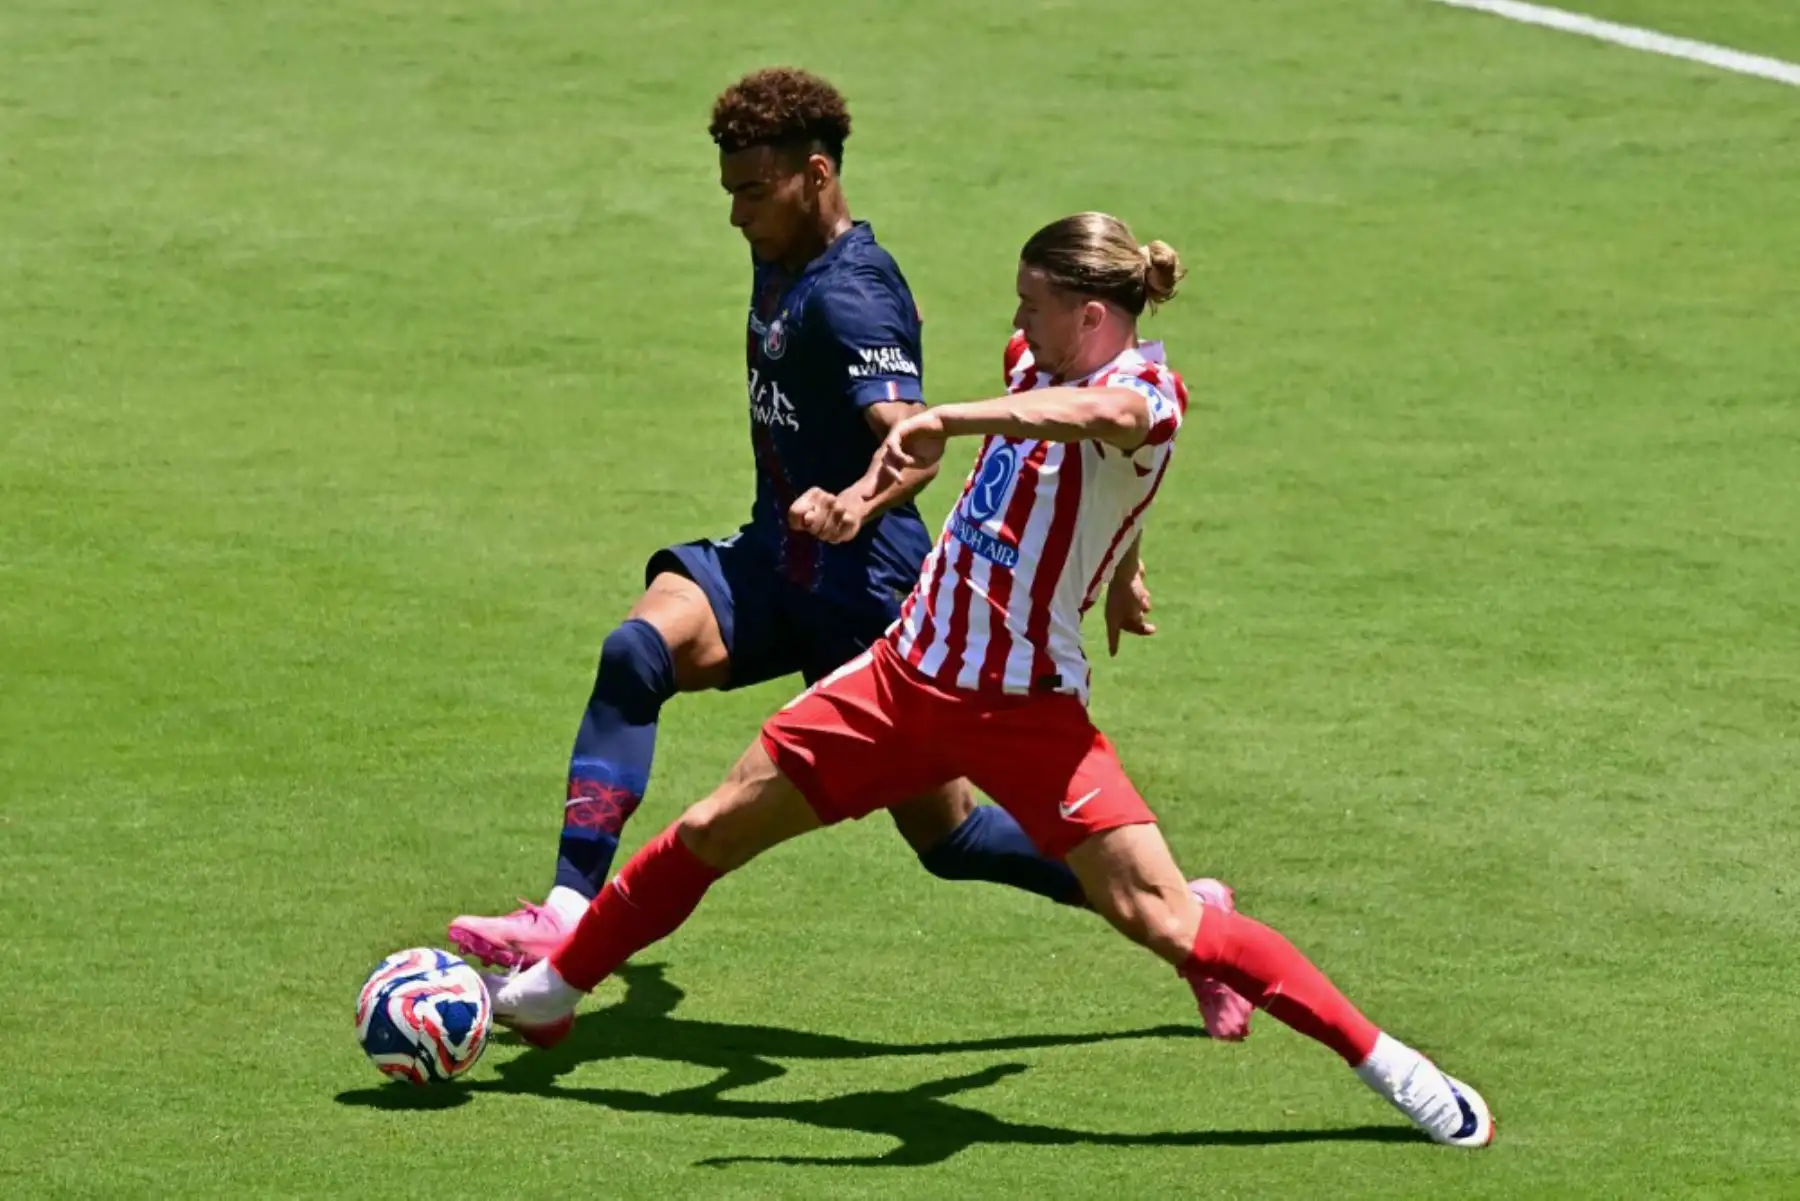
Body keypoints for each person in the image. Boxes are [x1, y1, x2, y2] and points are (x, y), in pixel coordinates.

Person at [486, 213, 1494, 1147]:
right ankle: (554, 987)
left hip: (1029, 714)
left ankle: (1394, 1068)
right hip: (899, 676)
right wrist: (860, 503)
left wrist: (963, 420)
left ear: (1089, 314)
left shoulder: (1149, 398)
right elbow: (1027, 479)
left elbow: (1099, 423)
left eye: (1032, 303)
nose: (1016, 321)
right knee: (713, 828)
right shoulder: (1031, 361)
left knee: (1165, 919)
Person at [446, 68, 1205, 1005]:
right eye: (728, 192)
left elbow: (913, 439)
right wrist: (1128, 562)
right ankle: (566, 915)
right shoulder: (782, 246)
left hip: (866, 590)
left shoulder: (854, 297)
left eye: (752, 193)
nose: (735, 216)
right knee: (636, 650)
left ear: (815, 175)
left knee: (953, 842)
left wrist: (855, 499)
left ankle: (1185, 917)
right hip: (775, 557)